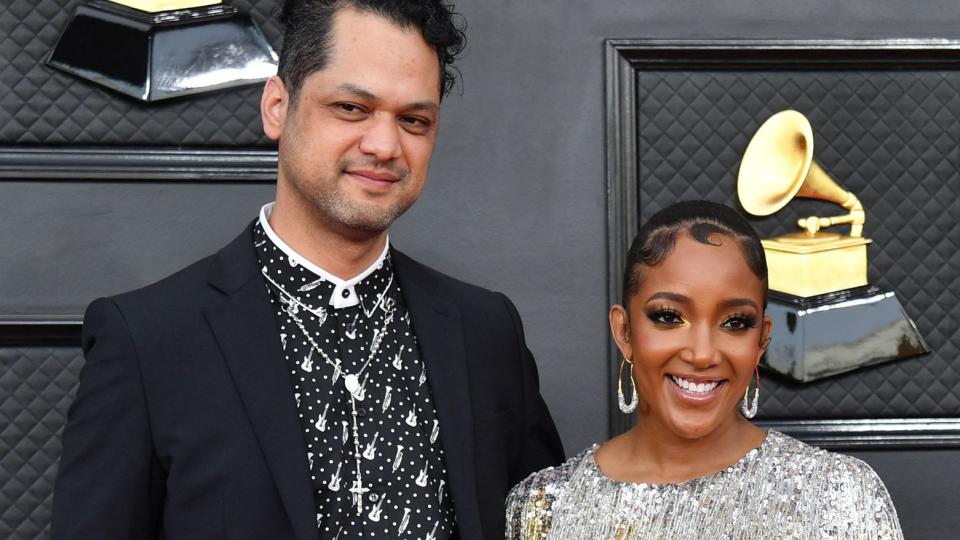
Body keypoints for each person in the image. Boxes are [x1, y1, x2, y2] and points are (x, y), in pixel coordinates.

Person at [52, 1, 564, 539]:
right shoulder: (147, 341)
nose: (385, 146)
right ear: (277, 106)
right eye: (351, 107)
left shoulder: (486, 333)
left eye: (413, 120)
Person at [505, 201, 902, 539]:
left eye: (734, 322)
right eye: (669, 316)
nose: (701, 353)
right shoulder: (543, 511)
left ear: (762, 339)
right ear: (624, 331)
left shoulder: (841, 496)